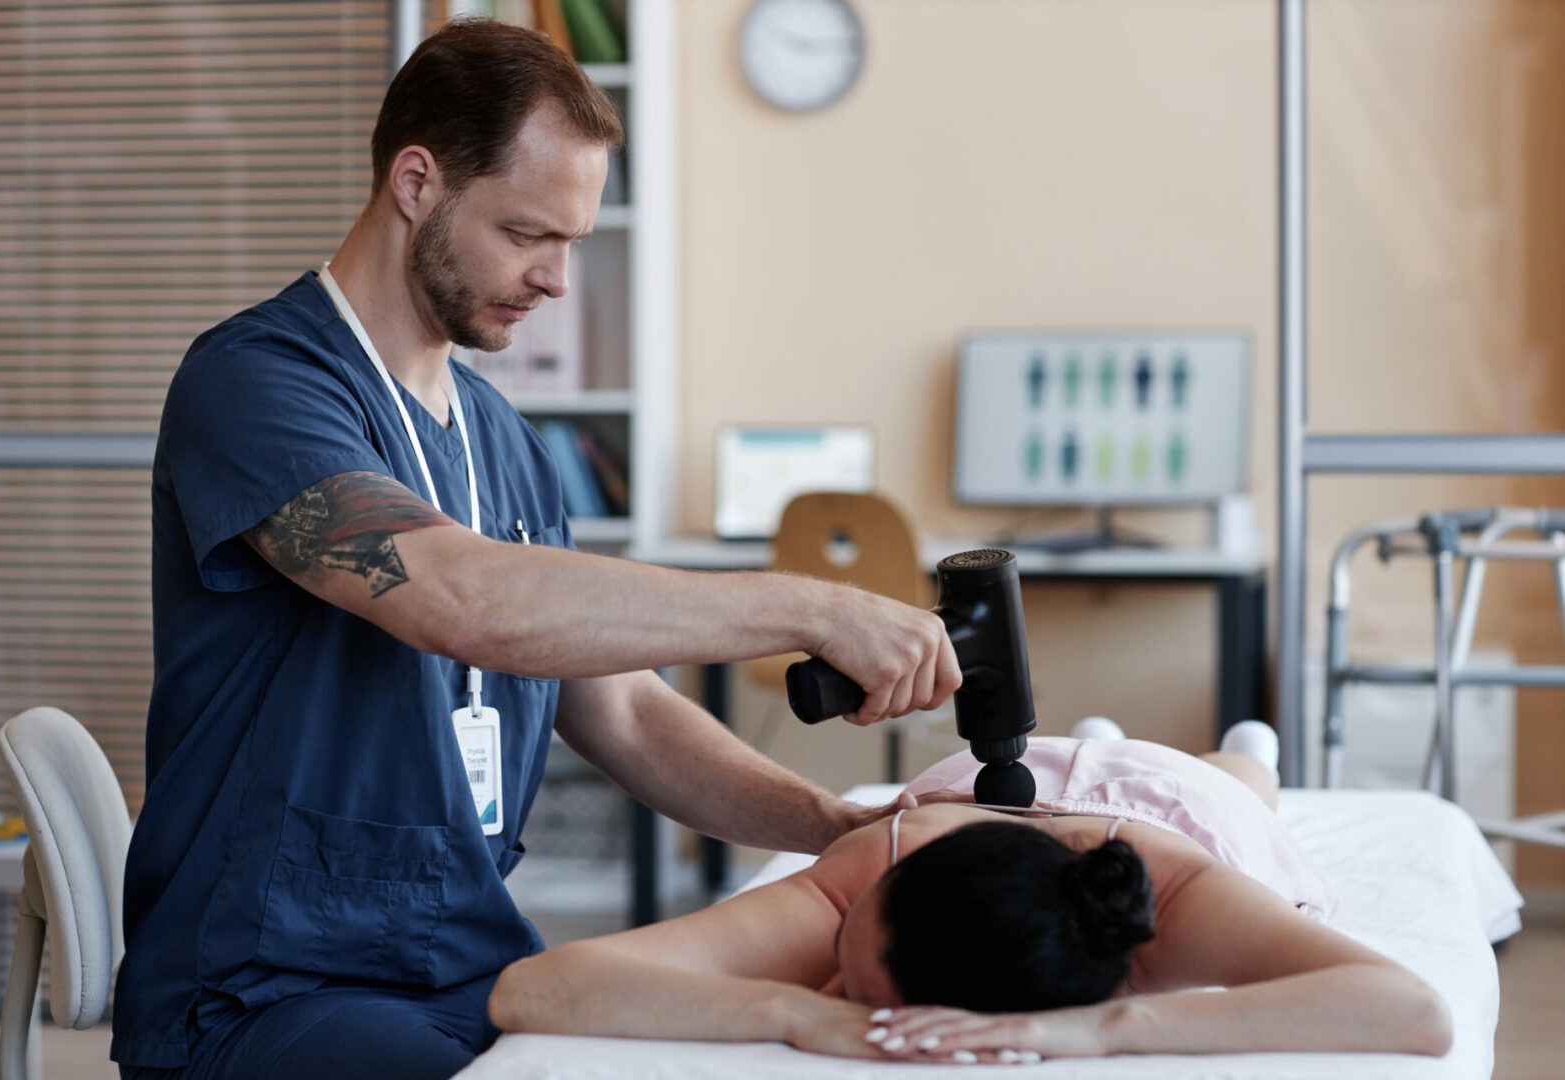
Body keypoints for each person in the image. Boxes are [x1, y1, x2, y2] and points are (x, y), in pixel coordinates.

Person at [112, 19, 960, 1080]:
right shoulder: (258, 385)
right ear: (416, 180)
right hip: (266, 982)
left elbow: (627, 713)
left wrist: (834, 826)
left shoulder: (503, 440)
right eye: (528, 235)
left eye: (574, 243)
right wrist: (814, 607)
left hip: (466, 964)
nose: (557, 280)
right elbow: (458, 596)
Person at [488, 724, 1455, 1064]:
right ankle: (1108, 734)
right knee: (1071, 750)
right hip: (1000, 782)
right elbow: (532, 989)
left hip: (1182, 809)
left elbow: (1412, 1010)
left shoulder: (1183, 905)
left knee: (1242, 786)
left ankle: (1250, 751)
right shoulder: (869, 874)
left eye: (856, 992)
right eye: (847, 970)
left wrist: (1096, 1033)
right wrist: (791, 1011)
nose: (836, 985)